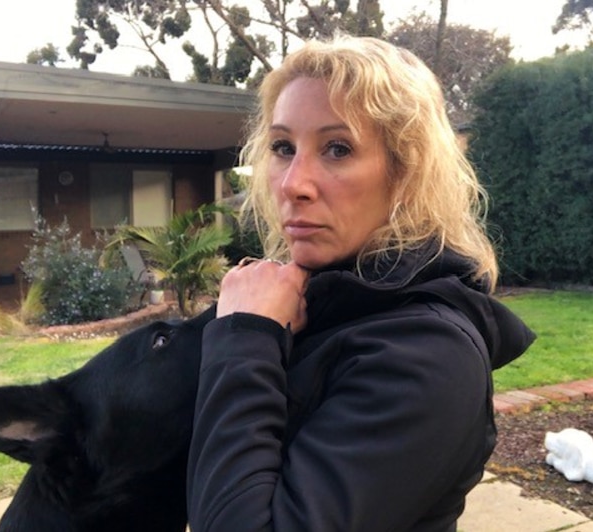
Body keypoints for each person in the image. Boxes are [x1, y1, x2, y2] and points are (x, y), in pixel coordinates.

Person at [187, 34, 535, 532]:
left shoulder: (428, 355)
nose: (293, 184)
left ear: (405, 172)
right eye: (283, 147)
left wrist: (245, 338)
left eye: (337, 148)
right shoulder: (317, 300)